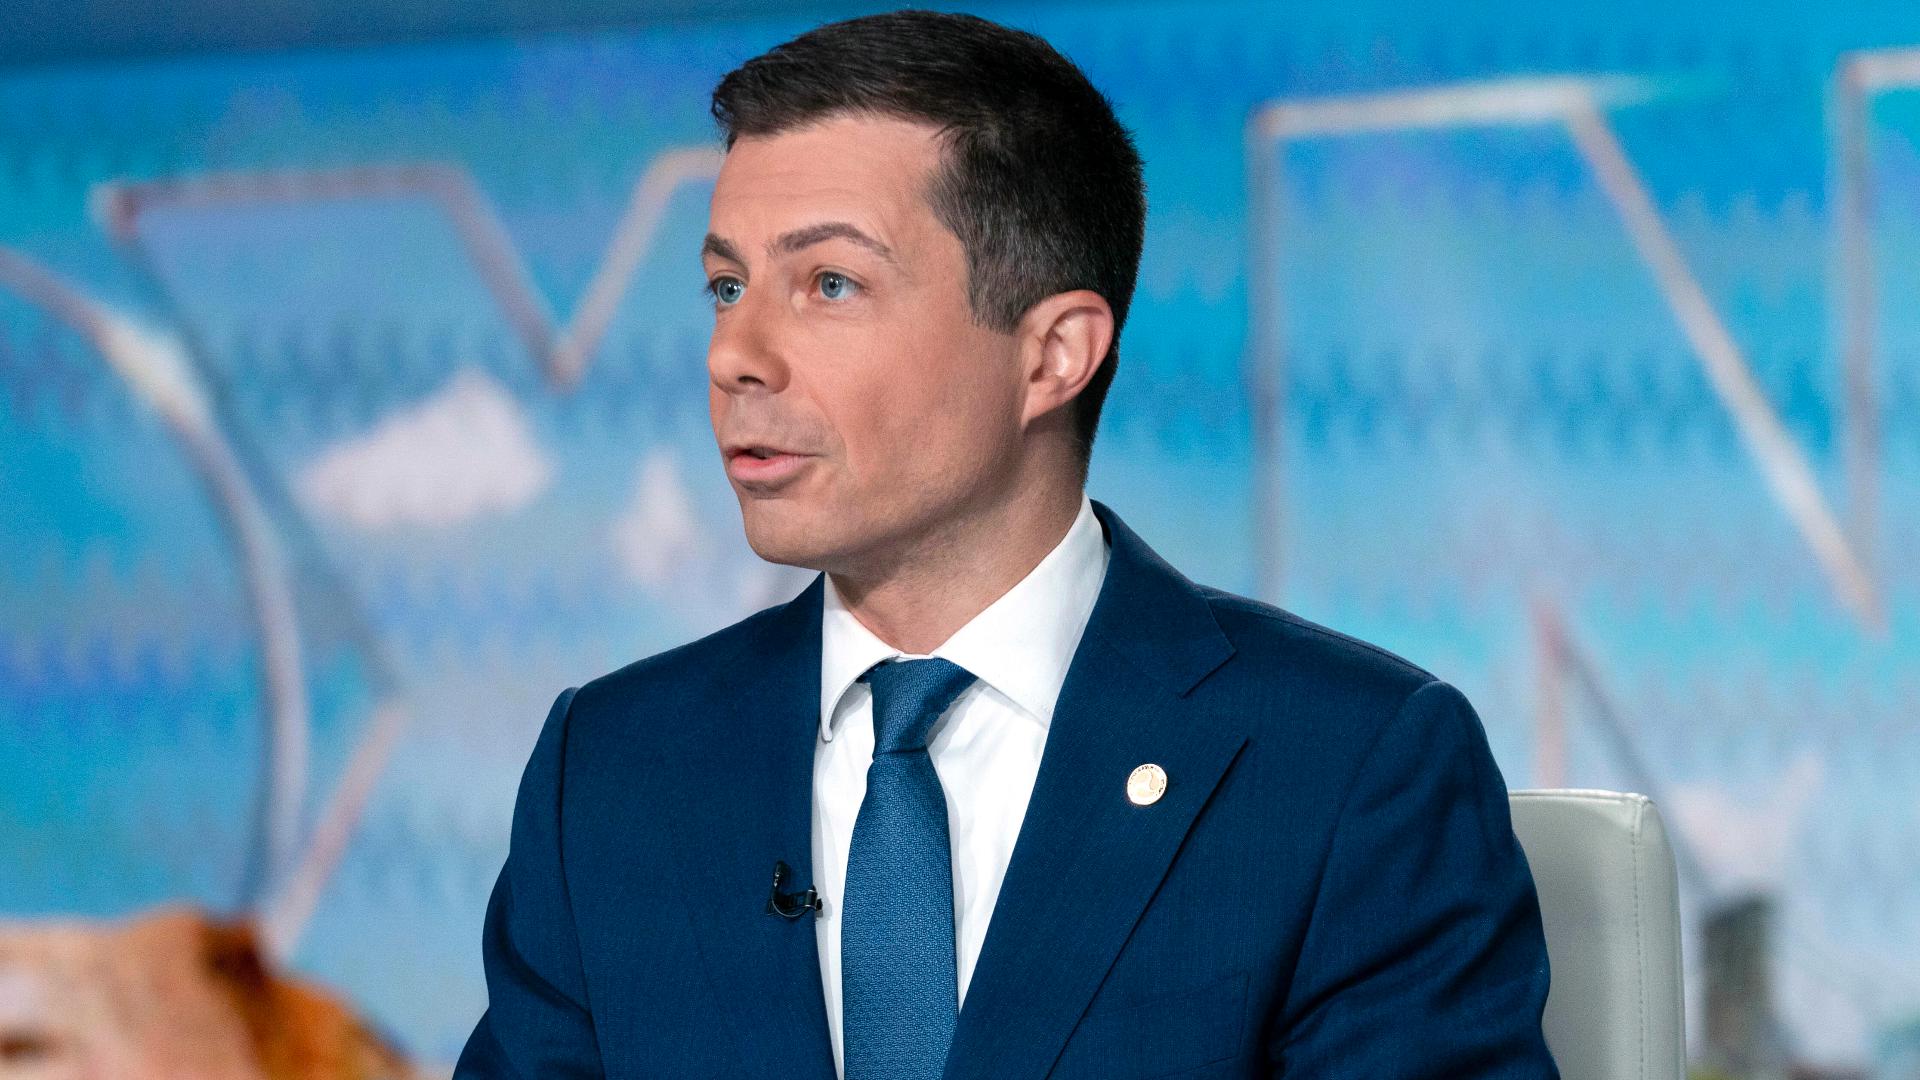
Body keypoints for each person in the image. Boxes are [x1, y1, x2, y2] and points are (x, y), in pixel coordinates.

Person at [454, 10, 1558, 1079]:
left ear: (1053, 356)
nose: (736, 354)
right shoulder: (610, 770)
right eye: (726, 286)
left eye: (829, 284)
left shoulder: (1349, 770)